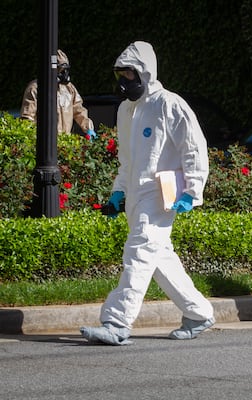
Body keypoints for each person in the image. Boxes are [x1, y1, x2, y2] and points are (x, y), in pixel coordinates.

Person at [80, 41, 214, 345]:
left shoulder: (170, 104)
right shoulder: (126, 110)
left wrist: (192, 191)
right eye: (121, 76)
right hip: (137, 198)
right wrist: (118, 193)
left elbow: (194, 150)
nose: (124, 82)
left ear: (145, 73)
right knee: (160, 259)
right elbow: (127, 160)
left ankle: (116, 322)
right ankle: (199, 312)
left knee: (139, 253)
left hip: (161, 197)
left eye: (130, 75)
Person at [20, 49, 96, 139]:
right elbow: (27, 117)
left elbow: (78, 110)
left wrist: (88, 128)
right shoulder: (36, 88)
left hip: (65, 141)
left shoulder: (69, 88)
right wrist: (33, 139)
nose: (64, 74)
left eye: (66, 70)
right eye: (61, 70)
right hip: (45, 142)